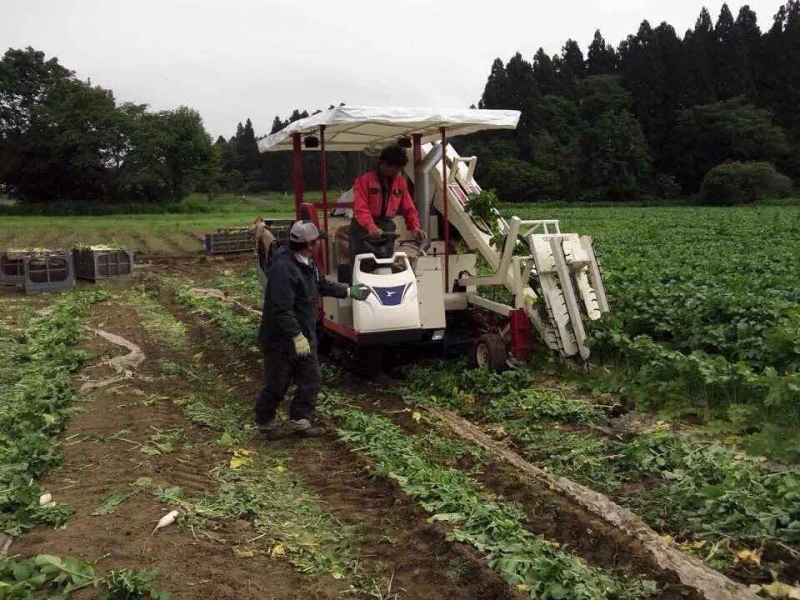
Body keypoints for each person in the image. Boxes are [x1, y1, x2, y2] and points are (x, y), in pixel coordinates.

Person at [256, 221, 369, 439]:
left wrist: (348, 291)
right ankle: (265, 423)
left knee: (311, 379)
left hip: (305, 333)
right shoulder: (284, 269)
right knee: (277, 384)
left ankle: (300, 420)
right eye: (317, 241)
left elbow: (322, 285)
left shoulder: (309, 263)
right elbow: (281, 310)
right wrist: (296, 336)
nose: (319, 244)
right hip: (281, 338)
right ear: (309, 244)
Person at [349, 145, 427, 264]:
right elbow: (360, 208)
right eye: (395, 168)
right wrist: (371, 227)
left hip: (387, 227)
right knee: (361, 263)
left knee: (387, 262)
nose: (397, 172)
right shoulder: (364, 180)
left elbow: (409, 208)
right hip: (362, 229)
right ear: (384, 163)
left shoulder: (400, 182)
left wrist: (415, 228)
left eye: (399, 169)